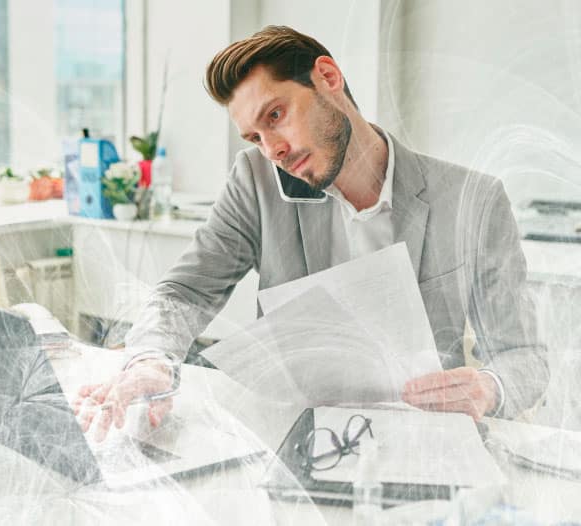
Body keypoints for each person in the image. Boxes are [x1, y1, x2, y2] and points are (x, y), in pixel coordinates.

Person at [73, 25, 548, 441]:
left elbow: (523, 358)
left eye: (276, 116)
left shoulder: (472, 200)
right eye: (255, 137)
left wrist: (489, 387)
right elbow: (185, 292)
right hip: (296, 439)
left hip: (424, 441)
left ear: (328, 77)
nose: (272, 150)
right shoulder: (256, 182)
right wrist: (150, 362)